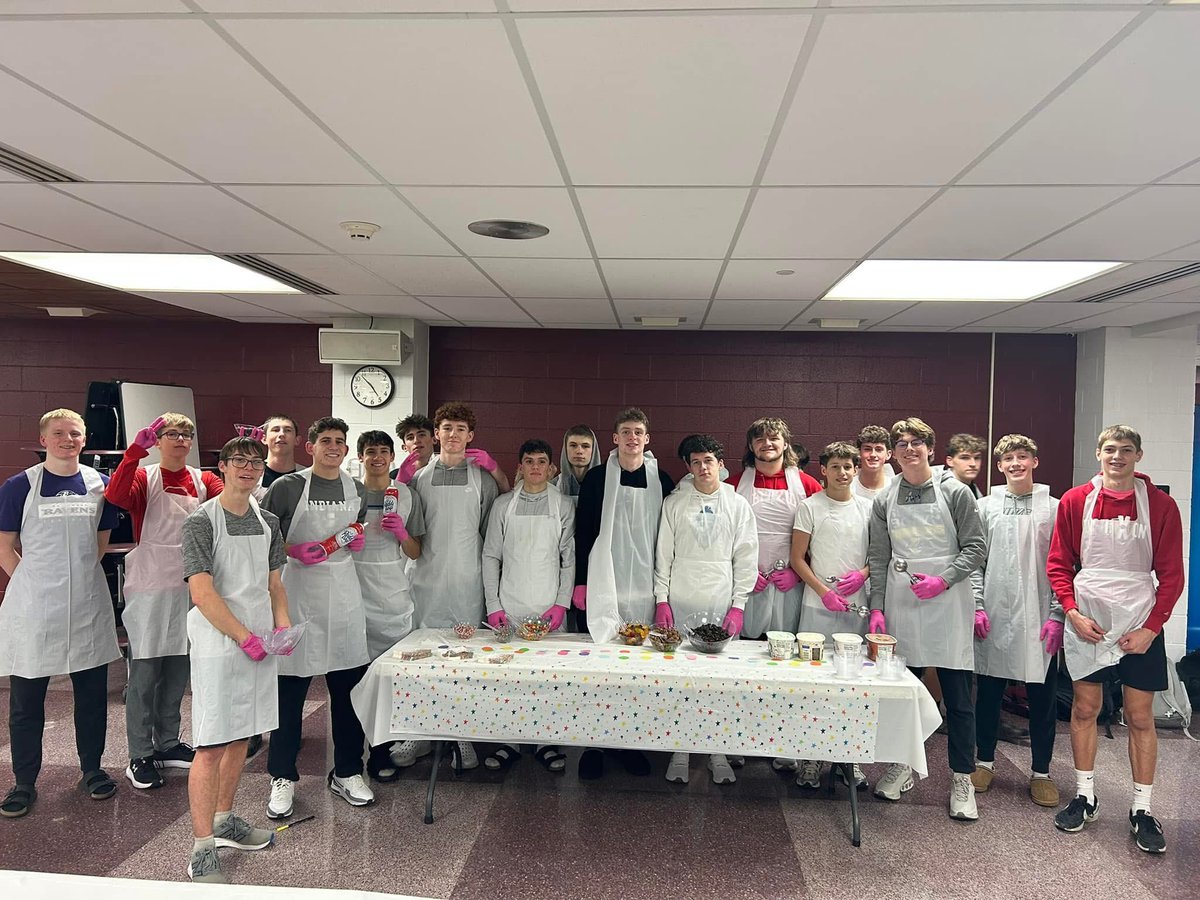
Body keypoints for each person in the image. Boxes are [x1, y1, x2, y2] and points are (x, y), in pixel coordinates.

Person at [1046, 425, 1183, 854]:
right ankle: (1085, 795)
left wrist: (1152, 628)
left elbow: (1173, 576)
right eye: (1110, 449)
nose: (1117, 456)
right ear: (1098, 453)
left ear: (1138, 455)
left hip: (1140, 620)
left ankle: (1142, 808)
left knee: (1139, 716)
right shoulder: (1074, 501)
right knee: (1085, 708)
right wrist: (1072, 612)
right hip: (1089, 619)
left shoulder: (1160, 506)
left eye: (1126, 450)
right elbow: (1058, 564)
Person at [0, 409, 122, 819]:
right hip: (35, 608)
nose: (67, 439)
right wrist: (34, 584)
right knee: (26, 700)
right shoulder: (20, 486)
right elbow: (5, 546)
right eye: (59, 433)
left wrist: (77, 581)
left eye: (74, 433)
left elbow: (100, 542)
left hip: (86, 604)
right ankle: (24, 781)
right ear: (44, 439)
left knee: (91, 696)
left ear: (84, 439)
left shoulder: (101, 485)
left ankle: (92, 770)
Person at [866, 417, 987, 821]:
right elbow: (879, 558)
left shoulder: (956, 491)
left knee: (957, 695)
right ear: (893, 453)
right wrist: (879, 606)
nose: (908, 448)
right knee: (904, 693)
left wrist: (944, 580)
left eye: (916, 442)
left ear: (931, 449)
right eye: (900, 443)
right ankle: (903, 766)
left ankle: (962, 778)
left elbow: (975, 549)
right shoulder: (884, 499)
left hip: (948, 600)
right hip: (903, 599)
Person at [181, 435, 288, 884]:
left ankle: (226, 819)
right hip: (220, 642)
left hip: (257, 640)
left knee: (243, 734)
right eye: (238, 460)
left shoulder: (268, 521)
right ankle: (202, 845)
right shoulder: (202, 522)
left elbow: (274, 584)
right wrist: (244, 638)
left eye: (255, 462)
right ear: (222, 466)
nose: (248, 468)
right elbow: (202, 592)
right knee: (210, 742)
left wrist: (282, 626)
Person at [104, 412, 223, 790]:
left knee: (177, 671)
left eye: (186, 434)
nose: (180, 440)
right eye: (171, 433)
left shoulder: (203, 481)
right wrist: (133, 453)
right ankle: (139, 754)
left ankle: (168, 742)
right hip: (151, 588)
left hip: (191, 587)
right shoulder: (145, 476)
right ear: (158, 440)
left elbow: (235, 500)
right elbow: (116, 497)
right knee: (144, 675)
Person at [262, 417, 373, 818]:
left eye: (340, 442)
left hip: (342, 596)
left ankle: (347, 771)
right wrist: (292, 550)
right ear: (309, 447)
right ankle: (282, 776)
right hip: (297, 596)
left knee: (348, 692)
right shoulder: (286, 487)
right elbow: (263, 538)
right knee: (289, 694)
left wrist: (355, 541)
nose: (333, 447)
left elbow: (352, 533)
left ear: (346, 450)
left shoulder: (356, 489)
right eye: (325, 440)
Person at [574, 407, 675, 779]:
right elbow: (583, 531)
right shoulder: (598, 478)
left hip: (646, 584)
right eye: (625, 432)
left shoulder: (662, 478)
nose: (632, 438)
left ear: (647, 439)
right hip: (606, 580)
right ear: (614, 439)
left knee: (640, 668)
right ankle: (594, 744)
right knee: (601, 666)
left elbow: (668, 537)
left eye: (639, 432)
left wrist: (665, 593)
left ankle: (631, 741)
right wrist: (581, 581)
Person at [405, 401, 504, 771]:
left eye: (461, 429)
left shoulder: (483, 479)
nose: (453, 435)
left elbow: (488, 532)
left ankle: (462, 734)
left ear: (471, 436)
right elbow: (411, 529)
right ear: (436, 434)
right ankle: (417, 734)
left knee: (466, 659)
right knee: (423, 660)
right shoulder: (418, 478)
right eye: (446, 428)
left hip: (467, 581)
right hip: (426, 580)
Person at [655, 435, 757, 785]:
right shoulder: (674, 504)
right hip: (682, 601)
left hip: (720, 601)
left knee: (719, 683)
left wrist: (739, 605)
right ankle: (680, 750)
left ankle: (717, 751)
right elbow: (663, 556)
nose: (703, 468)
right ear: (687, 466)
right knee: (680, 682)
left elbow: (746, 556)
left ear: (720, 463)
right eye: (695, 462)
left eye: (709, 461)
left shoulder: (737, 504)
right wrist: (661, 599)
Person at [970, 434, 1062, 808]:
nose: (1015, 464)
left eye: (1022, 457)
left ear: (1035, 462)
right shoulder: (985, 506)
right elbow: (976, 560)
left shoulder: (1054, 508)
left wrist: (1058, 613)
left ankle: (1041, 772)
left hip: (1040, 615)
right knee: (988, 694)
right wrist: (976, 605)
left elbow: (1063, 565)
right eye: (1008, 458)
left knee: (1042, 697)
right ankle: (984, 762)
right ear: (999, 465)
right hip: (995, 611)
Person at [481, 439, 575, 773]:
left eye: (541, 462)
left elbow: (568, 558)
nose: (535, 467)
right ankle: (508, 740)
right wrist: (493, 604)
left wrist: (561, 604)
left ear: (551, 468)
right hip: (510, 606)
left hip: (549, 607)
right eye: (528, 461)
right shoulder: (502, 505)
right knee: (508, 677)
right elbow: (491, 555)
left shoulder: (563, 505)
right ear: (519, 467)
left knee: (550, 678)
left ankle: (549, 740)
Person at [787, 441, 873, 790]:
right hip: (817, 607)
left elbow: (878, 556)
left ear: (856, 470)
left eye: (847, 467)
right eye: (835, 466)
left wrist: (862, 575)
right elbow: (797, 559)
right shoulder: (810, 507)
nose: (841, 472)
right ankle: (809, 759)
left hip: (856, 607)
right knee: (814, 685)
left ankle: (848, 759)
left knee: (852, 685)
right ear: (823, 470)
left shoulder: (869, 508)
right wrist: (824, 591)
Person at [353, 430, 425, 782]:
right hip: (353, 590)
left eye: (384, 451)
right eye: (370, 452)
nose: (377, 457)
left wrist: (401, 534)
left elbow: (416, 551)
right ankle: (352, 755)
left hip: (393, 592)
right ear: (361, 458)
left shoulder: (407, 496)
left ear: (393, 457)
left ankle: (382, 753)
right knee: (355, 678)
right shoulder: (349, 493)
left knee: (391, 679)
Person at [728, 417, 821, 640]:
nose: (766, 443)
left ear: (786, 443)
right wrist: (740, 574)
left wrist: (798, 574)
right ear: (751, 446)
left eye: (773, 438)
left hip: (790, 584)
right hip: (746, 585)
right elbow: (721, 538)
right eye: (759, 439)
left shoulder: (808, 485)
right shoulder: (732, 486)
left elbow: (822, 539)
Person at [553, 424, 601, 505]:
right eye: (573, 445)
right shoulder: (553, 486)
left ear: (593, 450)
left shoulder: (607, 485)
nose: (579, 451)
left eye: (585, 446)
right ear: (565, 448)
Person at [851, 425, 895, 501]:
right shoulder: (848, 488)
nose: (873, 455)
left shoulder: (895, 488)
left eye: (878, 449)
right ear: (858, 453)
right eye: (867, 449)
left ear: (888, 454)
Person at [940, 433, 986, 499]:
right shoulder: (941, 489)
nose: (973, 464)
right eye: (965, 458)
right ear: (950, 461)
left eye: (977, 458)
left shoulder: (973, 488)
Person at [262, 414, 302, 488]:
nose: (282, 434)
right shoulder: (252, 474)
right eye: (276, 430)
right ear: (264, 439)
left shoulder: (308, 477)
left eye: (288, 430)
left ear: (297, 440)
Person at [392, 413, 436, 479]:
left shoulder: (445, 472)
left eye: (421, 435)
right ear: (404, 447)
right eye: (410, 437)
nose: (416, 441)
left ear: (434, 439)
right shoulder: (394, 476)